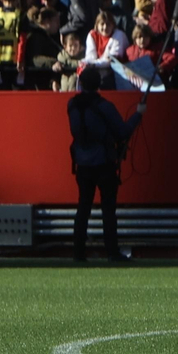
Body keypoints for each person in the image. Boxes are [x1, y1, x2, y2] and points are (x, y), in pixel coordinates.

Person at [67, 67, 144, 262]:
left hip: (82, 163)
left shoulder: (72, 105)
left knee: (83, 208)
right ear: (98, 84)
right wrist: (138, 115)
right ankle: (112, 252)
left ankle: (78, 253)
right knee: (108, 210)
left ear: (81, 83)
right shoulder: (104, 106)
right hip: (104, 163)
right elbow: (123, 132)